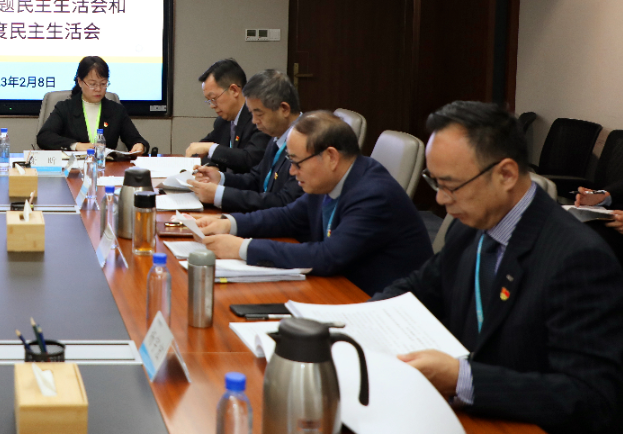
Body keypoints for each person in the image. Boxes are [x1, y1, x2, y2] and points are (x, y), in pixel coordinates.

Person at [374, 101, 623, 434]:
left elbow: (589, 397)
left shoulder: (578, 258)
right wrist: (358, 319)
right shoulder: (470, 226)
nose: (441, 200)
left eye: (451, 185)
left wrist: (463, 379)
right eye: (435, 183)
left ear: (506, 174)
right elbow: (420, 286)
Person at [194, 111, 431, 295]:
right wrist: (228, 223)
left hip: (379, 304)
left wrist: (242, 248)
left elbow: (327, 256)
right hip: (342, 287)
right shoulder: (329, 179)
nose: (292, 171)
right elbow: (288, 216)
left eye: (297, 163)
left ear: (331, 157)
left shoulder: (373, 194)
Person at [187, 69, 304, 213]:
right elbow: (255, 179)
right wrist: (220, 178)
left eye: (259, 114)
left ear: (284, 109)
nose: (254, 121)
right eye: (252, 113)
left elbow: (283, 202)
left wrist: (220, 195)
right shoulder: (278, 136)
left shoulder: (307, 142)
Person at [36, 56, 148, 153]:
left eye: (103, 84)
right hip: (72, 167)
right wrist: (76, 146)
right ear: (80, 82)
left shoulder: (116, 110)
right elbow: (44, 137)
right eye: (92, 84)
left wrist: (139, 145)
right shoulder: (65, 108)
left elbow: (137, 140)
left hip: (106, 167)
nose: (98, 89)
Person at [184, 58, 270, 173]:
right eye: (209, 101)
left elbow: (250, 159)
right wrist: (212, 166)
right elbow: (198, 150)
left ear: (234, 90)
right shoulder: (223, 122)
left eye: (213, 98)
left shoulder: (258, 119)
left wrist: (211, 148)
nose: (212, 106)